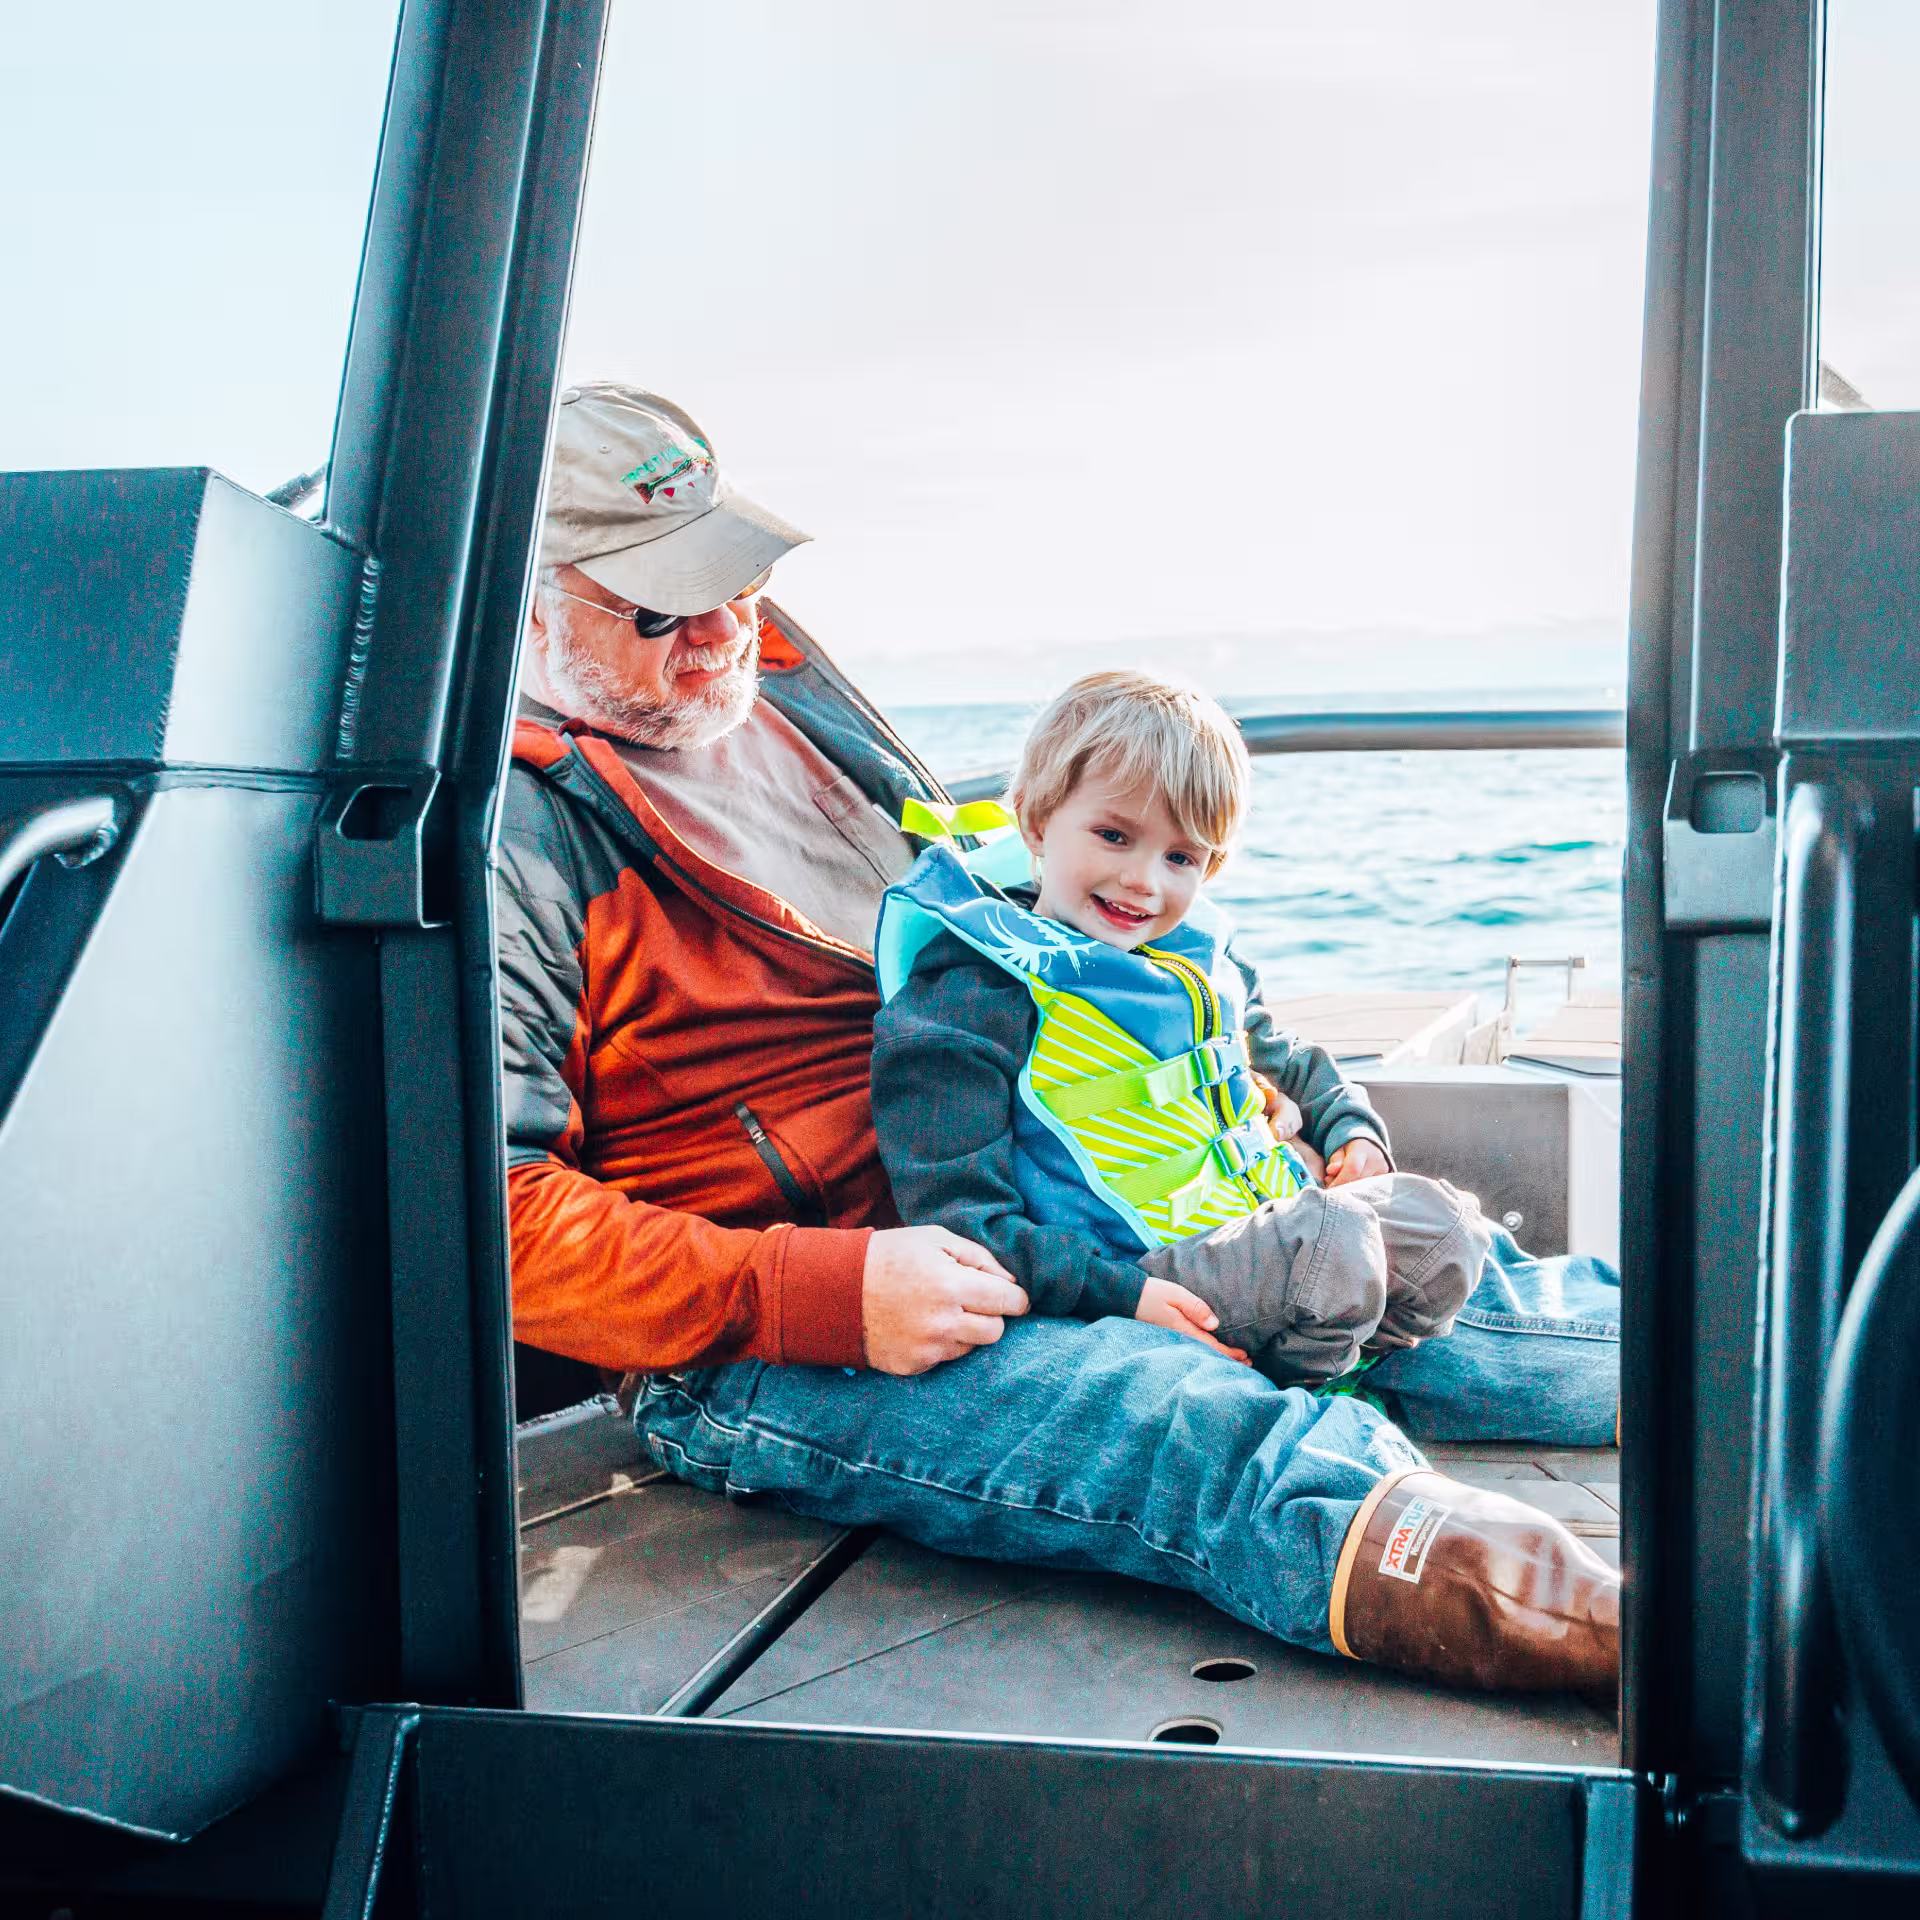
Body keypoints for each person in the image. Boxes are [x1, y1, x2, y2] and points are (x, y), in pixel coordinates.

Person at [499, 379, 1620, 1699]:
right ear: (525, 605)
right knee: (1181, 1423)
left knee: (1463, 1294)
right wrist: (820, 1293)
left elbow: (1005, 941)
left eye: (735, 583)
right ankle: (1659, 1651)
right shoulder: (520, 839)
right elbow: (502, 1225)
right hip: (798, 1329)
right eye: (655, 610)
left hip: (1052, 1211)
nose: (718, 639)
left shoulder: (793, 705)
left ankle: (1844, 1382)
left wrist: (1184, 1110)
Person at [870, 668, 1489, 1387]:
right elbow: (962, 1222)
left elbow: (1284, 1057)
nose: (1144, 881)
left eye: (1180, 857)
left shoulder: (1192, 963)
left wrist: (1350, 1129)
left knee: (1448, 1225)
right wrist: (1124, 1295)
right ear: (1037, 822)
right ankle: (1305, 1383)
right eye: (1113, 835)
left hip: (1264, 1227)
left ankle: (1354, 1345)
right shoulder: (968, 997)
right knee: (1337, 1239)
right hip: (1130, 1279)